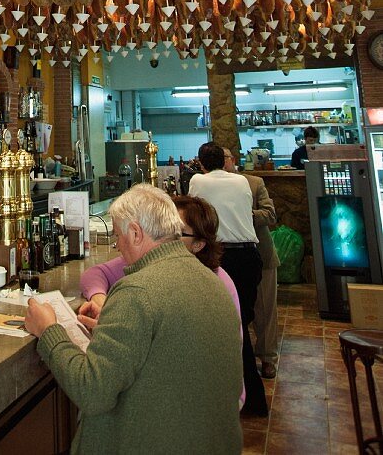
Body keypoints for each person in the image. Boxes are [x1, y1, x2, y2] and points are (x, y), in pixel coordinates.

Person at [23, 184, 243, 455]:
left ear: (136, 233)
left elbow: (91, 391)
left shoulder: (137, 291)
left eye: (118, 236)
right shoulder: (211, 280)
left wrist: (49, 330)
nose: (117, 246)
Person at [78, 194, 242, 330]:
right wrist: (99, 298)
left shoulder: (218, 283)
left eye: (176, 233)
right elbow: (95, 274)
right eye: (165, 228)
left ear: (198, 245)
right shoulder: (148, 265)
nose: (166, 237)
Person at [189, 142, 268, 417]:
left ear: (200, 162)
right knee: (241, 325)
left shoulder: (197, 180)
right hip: (249, 257)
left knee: (231, 329)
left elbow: (193, 217)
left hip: (222, 258)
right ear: (224, 161)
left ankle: (246, 398)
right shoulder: (242, 182)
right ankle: (251, 397)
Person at [224, 148, 280, 379]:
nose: (221, 163)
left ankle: (267, 358)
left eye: (224, 158)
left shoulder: (254, 183)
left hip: (260, 254)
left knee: (265, 309)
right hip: (228, 259)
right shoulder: (208, 186)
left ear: (233, 161)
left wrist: (245, 214)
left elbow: (270, 214)